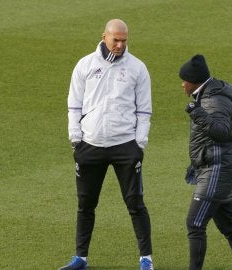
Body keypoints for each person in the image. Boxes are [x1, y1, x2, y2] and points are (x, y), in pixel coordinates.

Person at [59, 19, 154, 270]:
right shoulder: (85, 65)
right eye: (116, 40)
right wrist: (76, 140)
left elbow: (144, 110)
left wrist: (139, 145)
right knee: (86, 204)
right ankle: (81, 258)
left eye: (124, 40)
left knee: (135, 203)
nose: (121, 45)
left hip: (125, 146)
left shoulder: (138, 68)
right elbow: (74, 105)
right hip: (90, 145)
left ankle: (146, 259)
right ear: (104, 36)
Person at [179, 54, 232, 270]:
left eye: (184, 80)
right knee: (230, 226)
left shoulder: (213, 100)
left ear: (194, 81)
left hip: (217, 169)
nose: (182, 84)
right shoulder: (209, 95)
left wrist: (197, 113)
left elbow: (221, 132)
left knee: (195, 224)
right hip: (215, 167)